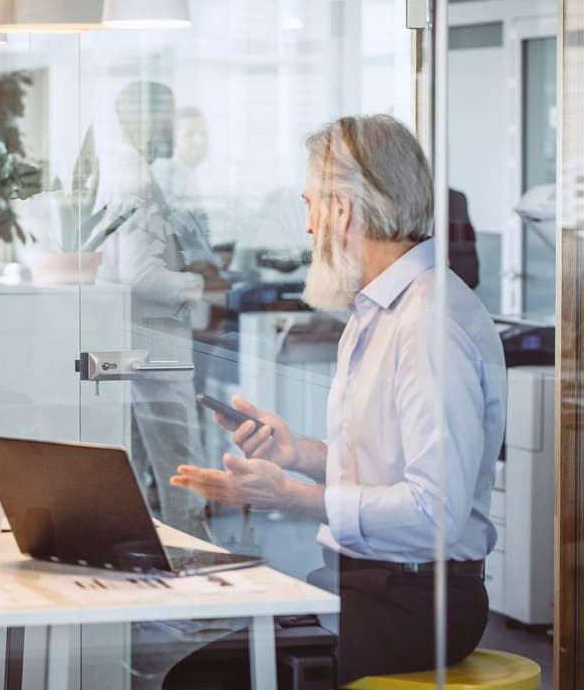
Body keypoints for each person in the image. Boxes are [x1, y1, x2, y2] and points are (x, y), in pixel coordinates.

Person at [171, 114, 507, 683]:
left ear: (343, 211)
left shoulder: (428, 322)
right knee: (213, 658)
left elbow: (435, 512)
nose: (307, 226)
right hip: (365, 584)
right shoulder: (381, 308)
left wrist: (296, 497)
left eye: (310, 205)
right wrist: (295, 452)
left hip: (417, 605)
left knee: (207, 678)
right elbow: (387, 465)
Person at [95, 81, 216, 540]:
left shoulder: (119, 169)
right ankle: (203, 591)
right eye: (165, 119)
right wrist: (201, 284)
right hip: (155, 348)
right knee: (183, 471)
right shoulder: (136, 178)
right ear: (144, 121)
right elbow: (140, 277)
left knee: (142, 470)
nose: (170, 128)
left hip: (132, 344)